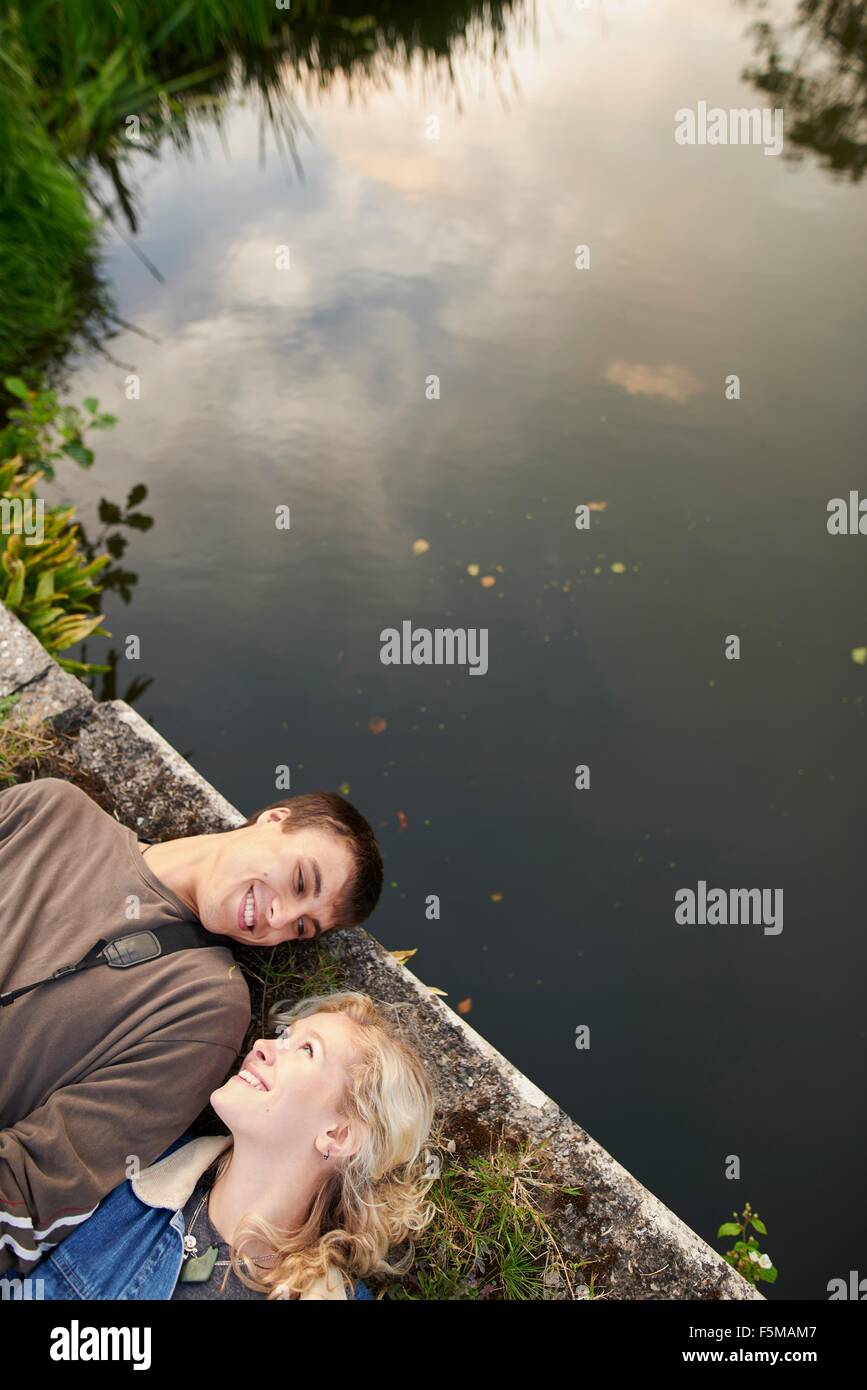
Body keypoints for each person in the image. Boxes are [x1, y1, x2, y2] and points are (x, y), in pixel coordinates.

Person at [0, 777, 383, 1276]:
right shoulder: (49, 809)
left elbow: (32, 1190)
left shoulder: (208, 1009)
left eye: (300, 927)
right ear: (274, 820)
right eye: (300, 882)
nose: (279, 917)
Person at [35, 993, 437, 1300]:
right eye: (285, 1036)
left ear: (339, 1135)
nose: (263, 1044)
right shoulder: (131, 1165)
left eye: (307, 1049)